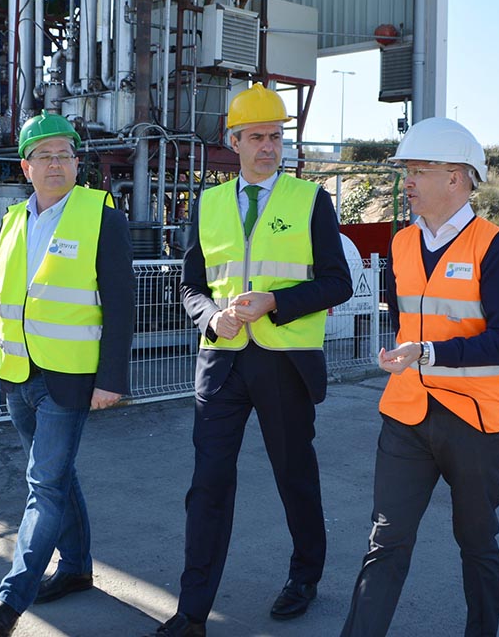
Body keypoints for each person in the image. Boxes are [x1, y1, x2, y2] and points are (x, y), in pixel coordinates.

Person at [146, 84, 352, 637]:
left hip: (284, 362)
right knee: (208, 483)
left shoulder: (310, 201)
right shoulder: (208, 204)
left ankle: (305, 576)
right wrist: (211, 317)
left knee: (294, 476)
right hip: (221, 362)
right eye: (257, 137)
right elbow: (190, 285)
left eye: (276, 136)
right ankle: (192, 612)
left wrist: (277, 302)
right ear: (233, 141)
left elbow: (339, 283)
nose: (268, 147)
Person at [0, 111, 135, 636]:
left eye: (65, 154)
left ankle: (11, 601)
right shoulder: (12, 221)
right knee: (56, 476)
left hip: (71, 379)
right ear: (25, 168)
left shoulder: (102, 215)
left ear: (78, 162)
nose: (56, 163)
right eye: (44, 155)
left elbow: (121, 305)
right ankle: (75, 569)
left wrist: (112, 378)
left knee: (43, 485)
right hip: (18, 375)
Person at [341, 117, 499, 637]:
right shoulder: (402, 244)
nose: (409, 182)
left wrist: (426, 352)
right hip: (405, 416)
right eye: (406, 171)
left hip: (473, 421)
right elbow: (406, 319)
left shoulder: (496, 248)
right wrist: (400, 355)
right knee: (386, 541)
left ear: (457, 178)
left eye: (420, 170)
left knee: (477, 543)